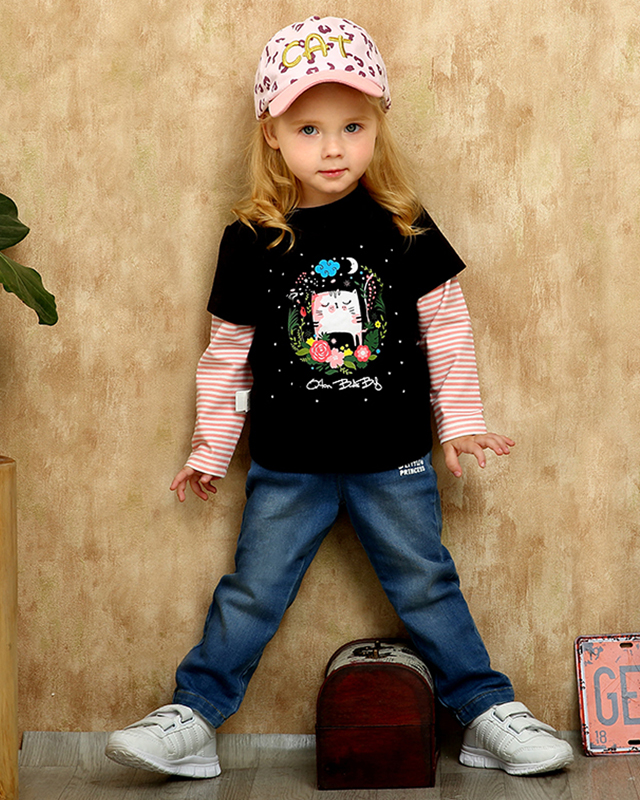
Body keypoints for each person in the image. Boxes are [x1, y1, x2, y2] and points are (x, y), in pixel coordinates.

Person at [105, 16, 573, 780]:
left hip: (395, 461)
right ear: (272, 134)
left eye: (352, 126)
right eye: (310, 129)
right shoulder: (252, 238)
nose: (333, 148)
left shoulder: (404, 225)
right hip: (289, 466)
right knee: (252, 593)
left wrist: (460, 422)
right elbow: (226, 355)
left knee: (427, 586)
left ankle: (486, 712)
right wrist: (209, 450)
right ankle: (193, 717)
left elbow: (446, 326)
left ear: (377, 125)